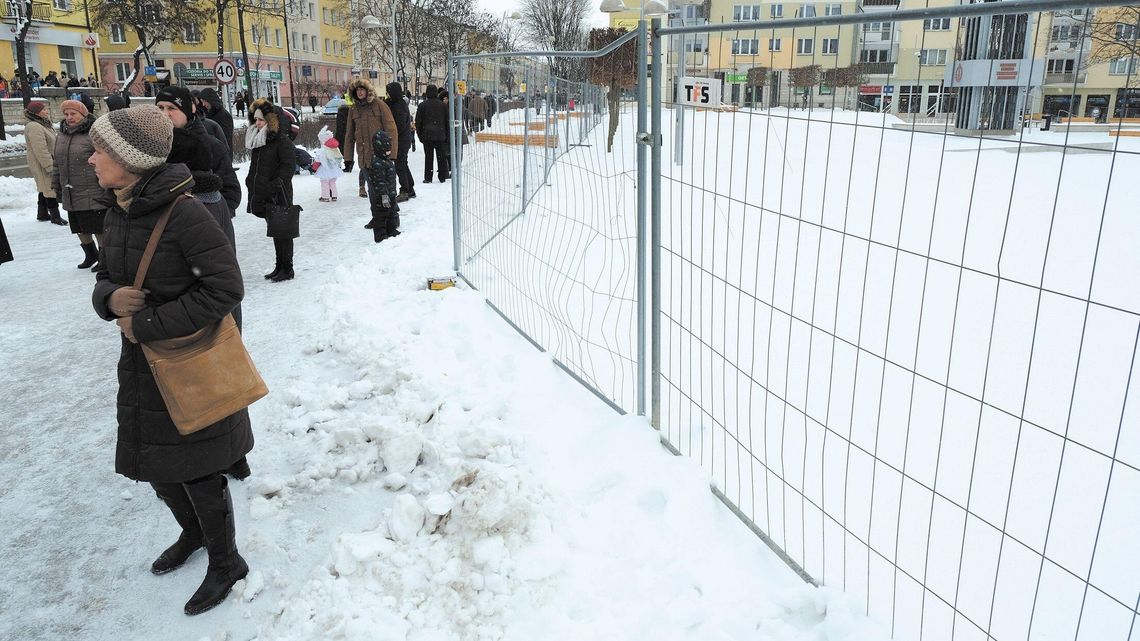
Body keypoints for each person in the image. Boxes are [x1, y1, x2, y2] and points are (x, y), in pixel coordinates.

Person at [88, 105, 251, 616]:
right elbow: (108, 278)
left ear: (130, 160)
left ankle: (227, 562)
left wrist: (147, 324)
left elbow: (225, 289)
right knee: (157, 465)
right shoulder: (118, 211)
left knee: (198, 469)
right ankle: (193, 534)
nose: (91, 159)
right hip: (143, 368)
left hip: (188, 365)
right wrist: (109, 299)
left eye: (100, 151)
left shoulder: (186, 214)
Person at [246, 97, 297, 282]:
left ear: (271, 120)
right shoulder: (260, 140)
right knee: (275, 230)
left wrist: (275, 185)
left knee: (283, 232)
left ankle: (287, 268)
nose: (258, 123)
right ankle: (279, 265)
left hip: (279, 193)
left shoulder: (281, 141)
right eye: (256, 120)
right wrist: (250, 181)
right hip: (266, 193)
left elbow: (288, 167)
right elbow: (256, 167)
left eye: (261, 120)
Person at [51, 99, 106, 270]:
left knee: (97, 227)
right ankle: (90, 255)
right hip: (70, 190)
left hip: (92, 189)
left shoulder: (93, 133)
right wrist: (56, 185)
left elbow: (105, 159)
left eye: (73, 114)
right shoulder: (62, 135)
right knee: (79, 227)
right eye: (66, 114)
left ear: (83, 115)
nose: (69, 117)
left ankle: (104, 259)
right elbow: (57, 163)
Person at [343, 77, 398, 199]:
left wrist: (392, 153)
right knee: (373, 190)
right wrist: (348, 158)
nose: (360, 92)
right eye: (357, 90)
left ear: (368, 90)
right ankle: (376, 210)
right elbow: (349, 134)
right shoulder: (353, 109)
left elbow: (391, 129)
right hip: (363, 155)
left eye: (362, 89)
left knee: (383, 189)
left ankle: (387, 209)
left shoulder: (379, 105)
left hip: (379, 155)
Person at [25, 101, 67, 226]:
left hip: (48, 160)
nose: (47, 112)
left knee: (44, 187)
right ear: (36, 112)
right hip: (42, 163)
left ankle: (42, 213)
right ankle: (55, 216)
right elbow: (40, 149)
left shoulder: (42, 124)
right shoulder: (34, 126)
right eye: (43, 110)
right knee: (49, 188)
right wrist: (49, 166)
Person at [366, 130, 400, 242]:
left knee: (391, 213)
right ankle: (380, 236)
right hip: (382, 196)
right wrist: (384, 196)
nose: (389, 151)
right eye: (386, 149)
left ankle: (391, 230)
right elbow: (379, 182)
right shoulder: (377, 163)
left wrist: (392, 193)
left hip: (390, 193)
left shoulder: (388, 161)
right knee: (381, 215)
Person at [384, 81, 415, 202]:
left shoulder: (398, 106)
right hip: (403, 139)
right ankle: (410, 188)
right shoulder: (397, 103)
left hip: (401, 140)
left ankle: (405, 190)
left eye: (389, 92)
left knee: (400, 165)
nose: (387, 95)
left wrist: (391, 134)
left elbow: (399, 125)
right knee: (403, 164)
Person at [415, 84, 448, 184]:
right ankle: (442, 176)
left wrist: (420, 135)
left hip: (427, 135)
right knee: (441, 157)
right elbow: (447, 121)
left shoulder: (422, 105)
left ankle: (428, 177)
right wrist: (446, 134)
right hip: (440, 135)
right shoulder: (442, 105)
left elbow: (418, 122)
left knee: (428, 157)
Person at [195, 88, 234, 152]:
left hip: (221, 153)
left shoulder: (224, 116)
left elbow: (226, 139)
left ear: (210, 100)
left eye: (204, 101)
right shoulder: (208, 113)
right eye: (202, 102)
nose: (203, 104)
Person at [314, 126, 343, 202]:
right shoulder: (336, 149)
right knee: (332, 182)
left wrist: (314, 168)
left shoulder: (322, 150)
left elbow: (318, 160)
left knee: (325, 183)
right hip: (334, 169)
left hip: (325, 169)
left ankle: (325, 197)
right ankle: (334, 196)